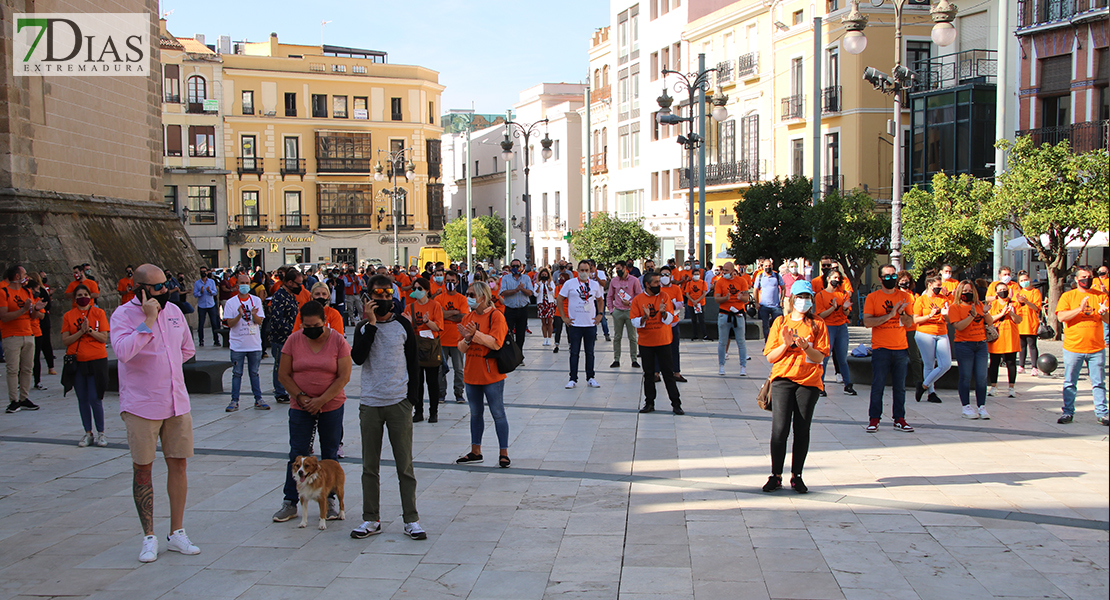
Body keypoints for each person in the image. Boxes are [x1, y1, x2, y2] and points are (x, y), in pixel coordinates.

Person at [110, 264, 200, 563]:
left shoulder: (174, 311)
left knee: (179, 465)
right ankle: (149, 536)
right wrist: (147, 322)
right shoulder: (123, 315)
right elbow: (123, 352)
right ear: (140, 289)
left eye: (166, 284)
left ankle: (177, 532)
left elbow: (187, 349)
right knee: (143, 469)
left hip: (176, 402)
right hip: (142, 405)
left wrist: (167, 366)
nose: (164, 290)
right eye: (158, 286)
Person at [348, 276, 427, 540]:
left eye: (387, 294)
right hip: (370, 404)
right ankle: (371, 519)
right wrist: (370, 324)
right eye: (377, 295)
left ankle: (411, 519)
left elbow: (414, 364)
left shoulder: (403, 324)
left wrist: (411, 401)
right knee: (369, 466)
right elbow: (358, 357)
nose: (382, 299)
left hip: (398, 403)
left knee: (404, 465)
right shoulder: (362, 328)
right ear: (368, 297)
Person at [271, 300, 352, 524]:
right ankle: (290, 502)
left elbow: (344, 376)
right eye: (306, 326)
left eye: (315, 325)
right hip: (301, 405)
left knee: (330, 455)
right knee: (296, 454)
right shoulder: (294, 340)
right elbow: (284, 374)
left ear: (324, 322)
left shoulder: (337, 341)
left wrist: (322, 400)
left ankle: (330, 499)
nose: (310, 330)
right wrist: (301, 397)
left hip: (331, 405)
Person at [762, 280, 830, 494]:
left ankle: (797, 475)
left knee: (802, 429)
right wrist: (786, 343)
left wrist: (805, 347)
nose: (803, 302)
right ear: (791, 299)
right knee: (780, 429)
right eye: (800, 297)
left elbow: (820, 356)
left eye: (807, 298)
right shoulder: (780, 322)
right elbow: (770, 357)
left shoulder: (818, 323)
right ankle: (776, 475)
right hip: (783, 379)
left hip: (808, 382)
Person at [455, 281, 512, 467]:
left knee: (498, 413)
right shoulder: (468, 317)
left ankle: (503, 452)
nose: (468, 298)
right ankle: (475, 451)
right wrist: (468, 338)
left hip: (491, 375)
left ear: (483, 297)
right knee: (475, 414)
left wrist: (475, 335)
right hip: (472, 374)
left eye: (472, 295)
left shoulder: (496, 317)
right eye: (468, 294)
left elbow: (496, 343)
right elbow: (461, 347)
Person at [862, 264, 916, 433]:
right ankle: (874, 419)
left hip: (900, 347)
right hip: (881, 348)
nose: (891, 279)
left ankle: (899, 418)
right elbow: (868, 322)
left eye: (893, 275)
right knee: (878, 385)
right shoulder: (873, 298)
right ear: (880, 278)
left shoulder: (905, 297)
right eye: (887, 276)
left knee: (900, 386)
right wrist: (890, 315)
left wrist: (901, 314)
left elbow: (909, 323)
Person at [1054, 266, 1109, 425]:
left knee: (1099, 382)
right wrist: (1079, 308)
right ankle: (1067, 413)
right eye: (1084, 277)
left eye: (1090, 276)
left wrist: (1104, 312)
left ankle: (1102, 413)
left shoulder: (1100, 296)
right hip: (1073, 348)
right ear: (1077, 279)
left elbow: (1107, 320)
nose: (1087, 279)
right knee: (1070, 382)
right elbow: (1062, 317)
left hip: (1096, 348)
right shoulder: (1068, 296)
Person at [61, 284, 110, 446]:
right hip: (77, 361)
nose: (82, 297)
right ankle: (87, 432)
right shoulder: (69, 315)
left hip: (96, 360)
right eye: (79, 295)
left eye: (85, 294)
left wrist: (88, 330)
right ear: (75, 299)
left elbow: (103, 337)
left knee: (94, 398)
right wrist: (80, 332)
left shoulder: (98, 313)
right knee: (82, 398)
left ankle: (101, 432)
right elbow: (66, 340)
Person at [631, 272, 682, 414]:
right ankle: (649, 403)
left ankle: (676, 403)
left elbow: (670, 319)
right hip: (646, 343)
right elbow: (634, 321)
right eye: (655, 283)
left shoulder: (664, 297)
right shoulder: (638, 300)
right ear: (647, 285)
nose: (659, 285)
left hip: (663, 341)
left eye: (659, 282)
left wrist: (664, 313)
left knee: (668, 373)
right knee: (649, 374)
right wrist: (644, 318)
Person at [2, 265, 45, 413]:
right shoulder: (4, 292)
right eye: (24, 274)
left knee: (27, 368)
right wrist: (23, 310)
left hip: (28, 333)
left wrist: (36, 309)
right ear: (17, 276)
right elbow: (3, 316)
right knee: (13, 369)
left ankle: (24, 398)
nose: (26, 277)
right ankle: (13, 400)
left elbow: (32, 315)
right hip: (11, 335)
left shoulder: (27, 291)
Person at [949, 280, 994, 419]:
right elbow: (959, 326)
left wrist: (985, 313)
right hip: (964, 344)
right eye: (965, 291)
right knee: (966, 376)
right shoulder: (954, 308)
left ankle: (982, 406)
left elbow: (990, 322)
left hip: (980, 344)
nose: (967, 294)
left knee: (981, 377)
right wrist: (971, 316)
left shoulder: (979, 305)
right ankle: (966, 407)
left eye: (970, 291)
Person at [223, 273, 268, 412]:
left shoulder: (256, 300)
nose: (244, 286)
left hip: (254, 344)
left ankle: (258, 399)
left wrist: (253, 314)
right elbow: (229, 323)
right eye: (242, 283)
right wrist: (239, 314)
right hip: (238, 345)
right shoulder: (231, 303)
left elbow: (260, 321)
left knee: (254, 372)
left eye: (247, 283)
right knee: (237, 373)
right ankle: (234, 400)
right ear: (237, 285)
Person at [558, 260, 605, 390]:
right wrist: (564, 317)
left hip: (590, 324)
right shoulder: (569, 284)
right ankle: (573, 378)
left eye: (586, 270)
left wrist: (600, 314)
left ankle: (590, 377)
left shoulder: (595, 285)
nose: (584, 273)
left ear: (590, 271)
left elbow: (600, 300)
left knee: (590, 352)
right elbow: (560, 299)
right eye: (582, 270)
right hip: (575, 324)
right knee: (574, 352)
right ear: (577, 271)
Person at [405, 277, 443, 423]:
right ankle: (418, 411)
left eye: (420, 288)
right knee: (417, 382)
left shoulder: (435, 305)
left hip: (431, 347)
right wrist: (408, 323)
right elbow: (407, 330)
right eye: (415, 288)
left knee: (433, 382)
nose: (417, 291)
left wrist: (428, 322)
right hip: (416, 347)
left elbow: (438, 328)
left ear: (427, 290)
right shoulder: (410, 307)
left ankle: (433, 412)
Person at [814, 268, 856, 396]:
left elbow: (847, 312)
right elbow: (821, 315)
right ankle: (820, 385)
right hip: (828, 327)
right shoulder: (820, 295)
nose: (836, 280)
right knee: (825, 357)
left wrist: (844, 308)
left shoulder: (843, 294)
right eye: (834, 278)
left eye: (838, 278)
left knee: (842, 358)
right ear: (828, 279)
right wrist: (833, 307)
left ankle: (848, 384)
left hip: (841, 326)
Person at [913, 275, 951, 403]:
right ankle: (931, 392)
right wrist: (930, 315)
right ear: (929, 285)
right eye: (937, 286)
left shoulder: (943, 299)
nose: (939, 289)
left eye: (940, 286)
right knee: (929, 364)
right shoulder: (921, 300)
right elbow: (916, 319)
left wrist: (946, 315)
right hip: (925, 333)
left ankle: (924, 385)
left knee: (946, 364)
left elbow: (949, 319)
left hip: (941, 332)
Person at [269, 270, 304, 404]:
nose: (300, 287)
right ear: (289, 282)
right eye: (298, 284)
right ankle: (280, 392)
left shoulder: (290, 295)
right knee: (280, 365)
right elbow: (278, 319)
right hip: (281, 338)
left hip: (292, 337)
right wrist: (292, 332)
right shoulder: (280, 296)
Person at [436, 270, 469, 404]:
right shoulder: (439, 298)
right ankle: (441, 393)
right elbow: (439, 315)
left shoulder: (462, 299)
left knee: (459, 369)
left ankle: (459, 393)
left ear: (457, 282)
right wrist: (455, 312)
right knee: (440, 369)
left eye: (452, 281)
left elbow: (463, 316)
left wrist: (446, 313)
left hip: (457, 340)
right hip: (442, 339)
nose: (450, 283)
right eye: (448, 281)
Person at [987, 281, 1023, 399]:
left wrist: (1011, 312)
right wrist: (1002, 313)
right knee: (994, 362)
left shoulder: (1015, 304)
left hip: (1010, 336)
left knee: (1011, 362)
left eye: (1005, 289)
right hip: (996, 337)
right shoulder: (992, 304)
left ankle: (1011, 387)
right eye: (1001, 289)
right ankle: (993, 386)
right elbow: (989, 319)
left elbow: (1018, 320)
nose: (1003, 291)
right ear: (996, 292)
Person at [713, 262, 749, 377]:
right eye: (723, 270)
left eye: (727, 270)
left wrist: (740, 297)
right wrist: (725, 298)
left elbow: (747, 298)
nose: (724, 272)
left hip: (738, 314)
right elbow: (717, 299)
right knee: (722, 341)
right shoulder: (720, 282)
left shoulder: (742, 281)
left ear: (733, 271)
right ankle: (721, 365)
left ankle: (743, 366)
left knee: (741, 341)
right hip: (724, 314)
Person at [607, 260, 643, 368]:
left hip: (630, 311)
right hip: (618, 311)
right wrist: (611, 310)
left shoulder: (634, 280)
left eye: (619, 268)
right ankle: (616, 359)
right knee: (617, 336)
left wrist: (631, 302)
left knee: (632, 336)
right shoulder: (614, 281)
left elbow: (639, 295)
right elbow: (609, 296)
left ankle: (634, 359)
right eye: (616, 269)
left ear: (625, 268)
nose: (618, 271)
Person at [656, 266, 686, 382]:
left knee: (674, 348)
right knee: (657, 348)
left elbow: (680, 304)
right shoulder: (657, 289)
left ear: (671, 276)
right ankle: (656, 372)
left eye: (667, 275)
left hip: (673, 322)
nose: (664, 277)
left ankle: (676, 372)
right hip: (660, 323)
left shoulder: (676, 288)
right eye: (662, 275)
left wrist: (670, 305)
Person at [897, 270, 925, 400]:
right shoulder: (896, 295)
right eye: (902, 280)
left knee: (915, 357)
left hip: (912, 329)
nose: (904, 282)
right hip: (898, 329)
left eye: (907, 280)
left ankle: (918, 381)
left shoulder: (915, 296)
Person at [499, 259, 534, 357]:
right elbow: (503, 292)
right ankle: (510, 354)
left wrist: (522, 289)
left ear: (521, 267)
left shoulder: (526, 278)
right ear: (510, 267)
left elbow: (530, 292)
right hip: (510, 309)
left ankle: (519, 354)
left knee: (521, 333)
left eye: (517, 266)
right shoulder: (506, 278)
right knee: (508, 333)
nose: (515, 268)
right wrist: (515, 290)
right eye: (513, 266)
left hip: (522, 309)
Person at [28, 273, 56, 390]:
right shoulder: (27, 297)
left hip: (40, 327)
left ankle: (42, 375)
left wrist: (34, 309)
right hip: (29, 329)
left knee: (42, 349)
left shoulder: (41, 294)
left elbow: (41, 314)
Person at [1014, 270, 1043, 376]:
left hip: (1031, 322)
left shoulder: (1035, 292)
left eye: (1026, 280)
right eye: (1021, 280)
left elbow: (1036, 307)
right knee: (1022, 346)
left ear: (1030, 280)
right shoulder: (1018, 293)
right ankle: (1021, 365)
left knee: (1032, 345)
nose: (1024, 282)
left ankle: (1034, 366)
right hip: (1020, 323)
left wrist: (1026, 302)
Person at [753, 258, 786, 340]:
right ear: (763, 267)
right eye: (766, 266)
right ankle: (767, 343)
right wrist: (756, 302)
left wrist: (782, 300)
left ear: (772, 266)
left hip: (776, 305)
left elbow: (783, 288)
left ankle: (777, 341)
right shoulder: (760, 276)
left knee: (779, 324)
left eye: (769, 265)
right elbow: (755, 289)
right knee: (765, 326)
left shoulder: (777, 276)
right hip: (764, 305)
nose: (768, 267)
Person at [192, 267, 221, 347]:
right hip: (202, 305)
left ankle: (216, 340)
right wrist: (200, 292)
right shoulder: (197, 283)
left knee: (214, 323)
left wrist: (209, 291)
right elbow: (195, 294)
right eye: (202, 272)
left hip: (210, 304)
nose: (203, 273)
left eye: (204, 271)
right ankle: (201, 340)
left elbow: (215, 292)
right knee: (201, 323)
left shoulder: (211, 282)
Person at [684, 266, 708, 341]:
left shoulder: (703, 283)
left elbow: (704, 293)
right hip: (691, 304)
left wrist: (697, 300)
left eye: (698, 274)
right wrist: (693, 301)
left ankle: (705, 334)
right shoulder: (689, 283)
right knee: (693, 320)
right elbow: (687, 293)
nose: (696, 275)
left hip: (700, 303)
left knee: (701, 319)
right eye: (695, 274)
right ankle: (695, 335)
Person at [536, 268, 558, 347]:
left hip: (549, 303)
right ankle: (545, 338)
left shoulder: (551, 282)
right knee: (543, 322)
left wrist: (548, 285)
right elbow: (535, 294)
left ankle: (549, 338)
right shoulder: (538, 283)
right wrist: (538, 286)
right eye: (542, 275)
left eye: (545, 275)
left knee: (550, 321)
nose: (544, 276)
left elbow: (553, 292)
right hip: (541, 304)